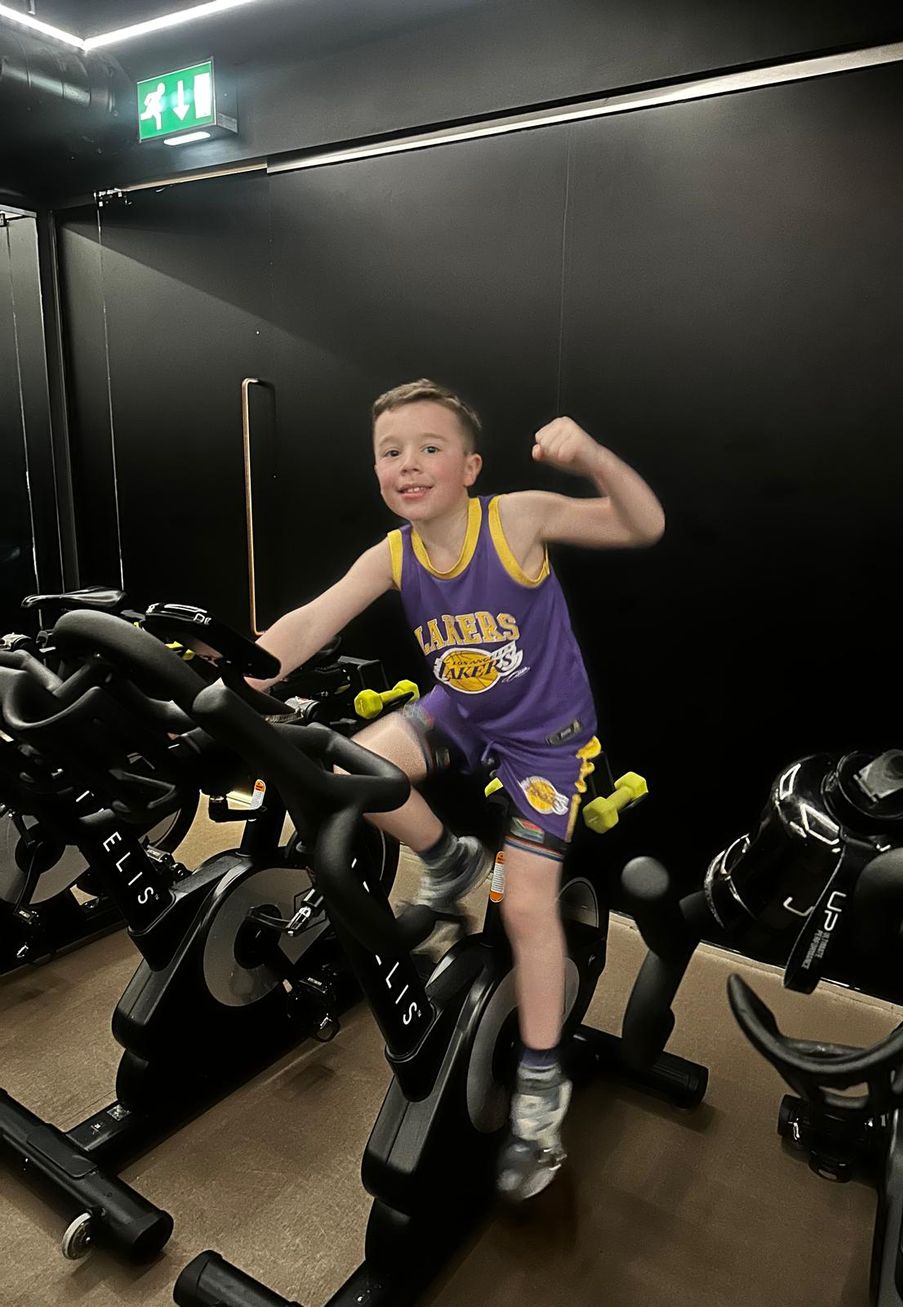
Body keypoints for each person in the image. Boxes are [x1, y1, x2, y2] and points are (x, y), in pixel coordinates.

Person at [252, 379, 665, 1198]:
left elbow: (643, 523)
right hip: (463, 712)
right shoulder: (393, 552)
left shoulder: (514, 519)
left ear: (470, 466)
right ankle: (445, 857)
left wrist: (588, 457)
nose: (409, 464)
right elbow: (308, 622)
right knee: (347, 773)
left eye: (429, 448)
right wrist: (235, 673)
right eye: (391, 452)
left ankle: (542, 1092)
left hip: (548, 743)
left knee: (524, 905)